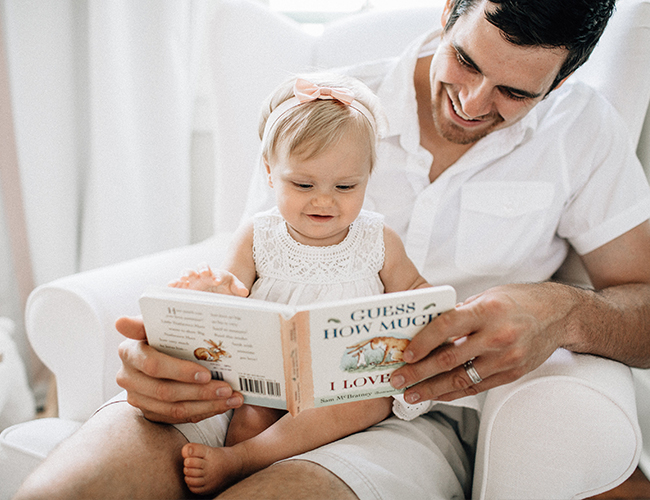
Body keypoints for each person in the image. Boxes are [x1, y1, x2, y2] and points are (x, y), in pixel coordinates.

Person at [14, 0, 650, 499]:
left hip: (402, 415)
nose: (473, 102)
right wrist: (178, 332)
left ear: (562, 78)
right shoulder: (324, 106)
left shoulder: (585, 135)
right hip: (240, 393)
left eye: (515, 93)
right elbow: (244, 261)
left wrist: (563, 311)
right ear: (450, 10)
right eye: (467, 62)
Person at [165, 73, 430, 496]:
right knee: (249, 414)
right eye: (303, 185)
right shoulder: (259, 235)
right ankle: (237, 468)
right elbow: (230, 291)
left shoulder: (378, 239)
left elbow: (414, 289)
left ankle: (243, 460)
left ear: (368, 176)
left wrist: (429, 308)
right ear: (270, 174)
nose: (324, 200)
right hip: (271, 377)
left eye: (346, 186)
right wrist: (211, 289)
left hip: (345, 381)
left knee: (371, 400)